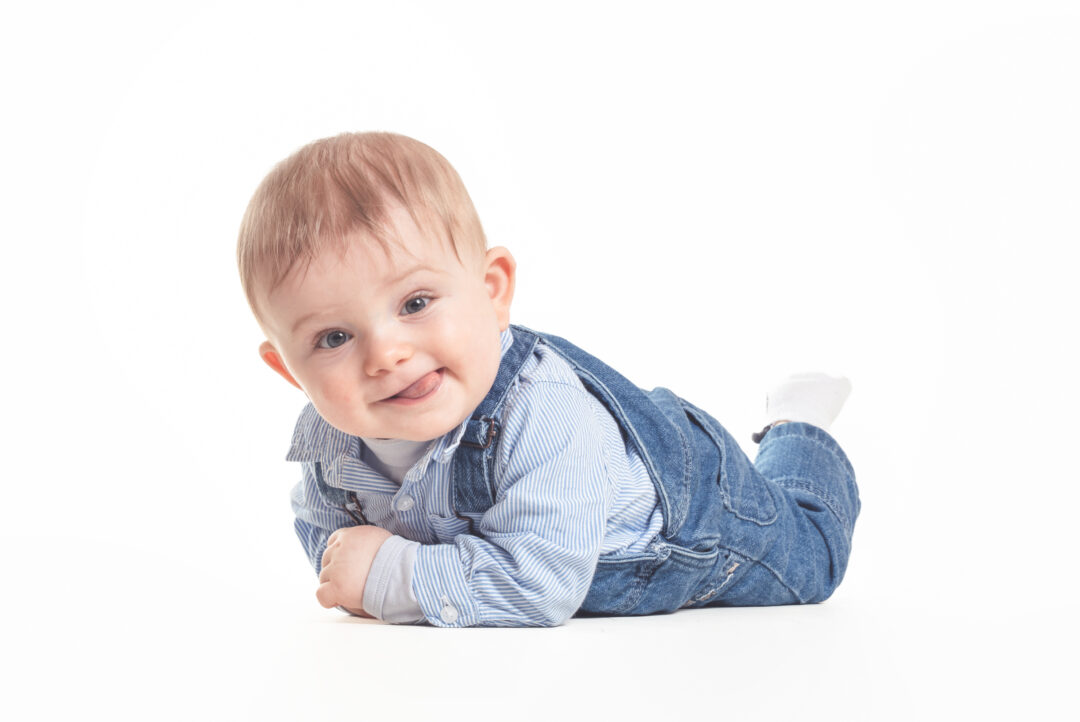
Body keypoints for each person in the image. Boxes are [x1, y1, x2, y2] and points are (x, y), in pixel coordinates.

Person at [236, 131, 860, 627]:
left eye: (416, 303)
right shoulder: (330, 436)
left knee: (812, 561)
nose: (386, 354)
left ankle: (796, 424)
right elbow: (333, 550)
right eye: (334, 339)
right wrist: (364, 578)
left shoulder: (542, 412)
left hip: (688, 519)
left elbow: (540, 583)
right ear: (288, 369)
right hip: (584, 524)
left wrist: (391, 580)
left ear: (492, 290)